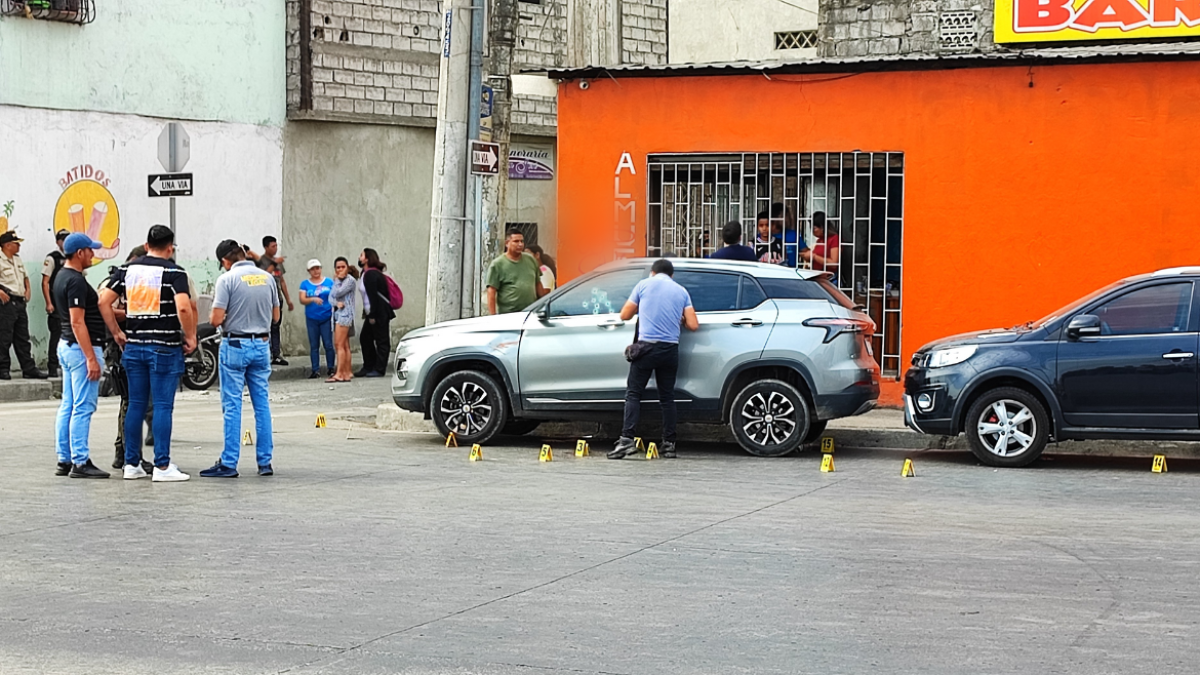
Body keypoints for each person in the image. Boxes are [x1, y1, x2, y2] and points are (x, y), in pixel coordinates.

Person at [98, 225, 197, 482]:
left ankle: (131, 464)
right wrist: (190, 336)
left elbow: (103, 301)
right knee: (163, 405)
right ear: (170, 247)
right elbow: (184, 308)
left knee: (136, 405)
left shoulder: (126, 270)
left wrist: (117, 333)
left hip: (134, 347)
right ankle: (162, 466)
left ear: (145, 245)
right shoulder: (174, 272)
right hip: (164, 347)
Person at [200, 240, 281, 478]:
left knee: (233, 405)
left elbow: (215, 320)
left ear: (225, 261)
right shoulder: (267, 278)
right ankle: (265, 462)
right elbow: (276, 317)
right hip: (261, 345)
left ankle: (229, 462)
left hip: (235, 345)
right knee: (262, 405)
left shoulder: (227, 280)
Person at [608, 258, 699, 460]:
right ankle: (669, 444)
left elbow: (624, 315)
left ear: (653, 272)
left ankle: (626, 441)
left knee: (633, 394)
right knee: (667, 398)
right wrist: (679, 319)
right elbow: (693, 325)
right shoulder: (681, 291)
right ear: (671, 275)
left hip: (647, 348)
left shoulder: (643, 285)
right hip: (670, 350)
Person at [52, 233, 110, 478]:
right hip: (79, 348)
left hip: (66, 346)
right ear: (79, 253)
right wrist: (91, 358)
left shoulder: (60, 276)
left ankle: (64, 458)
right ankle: (80, 460)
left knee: (68, 404)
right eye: (90, 250)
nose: (92, 255)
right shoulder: (75, 280)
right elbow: (78, 322)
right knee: (83, 407)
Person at [104, 246, 154, 472]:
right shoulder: (113, 282)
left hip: (132, 344)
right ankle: (129, 455)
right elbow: (104, 308)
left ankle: (122, 450)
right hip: (119, 346)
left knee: (130, 402)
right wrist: (134, 312)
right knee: (130, 402)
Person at [0, 230, 49, 380]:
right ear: (7, 245)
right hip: (6, 303)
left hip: (20, 302)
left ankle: (28, 369)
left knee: (22, 338)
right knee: (4, 337)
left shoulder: (17, 259)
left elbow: (25, 277)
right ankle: (2, 369)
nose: (19, 247)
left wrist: (28, 290)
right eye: (16, 244)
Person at [486, 229, 547, 316]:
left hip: (531, 313)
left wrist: (544, 303)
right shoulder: (498, 264)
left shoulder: (531, 260)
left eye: (522, 241)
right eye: (516, 241)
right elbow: (491, 291)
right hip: (509, 315)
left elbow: (538, 283)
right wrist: (493, 316)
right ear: (507, 243)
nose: (520, 244)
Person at [356, 248, 394, 378]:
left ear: (367, 258)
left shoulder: (372, 274)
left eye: (361, 255)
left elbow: (373, 296)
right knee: (365, 338)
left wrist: (372, 315)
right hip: (372, 312)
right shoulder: (365, 273)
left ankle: (379, 369)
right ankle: (368, 366)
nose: (359, 257)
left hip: (378, 312)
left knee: (382, 341)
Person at [258, 235, 293, 365]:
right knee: (264, 328)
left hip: (277, 300)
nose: (275, 248)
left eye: (276, 245)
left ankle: (276, 354)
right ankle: (264, 355)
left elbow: (282, 281)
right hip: (265, 301)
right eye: (273, 246)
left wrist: (288, 300)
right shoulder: (260, 263)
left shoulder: (278, 263)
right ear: (266, 247)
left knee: (275, 326)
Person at [41, 229, 70, 377]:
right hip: (57, 305)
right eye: (63, 239)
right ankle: (52, 367)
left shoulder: (73, 257)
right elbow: (45, 282)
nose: (66, 242)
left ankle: (65, 365)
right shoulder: (52, 258)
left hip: (70, 304)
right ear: (58, 242)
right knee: (56, 335)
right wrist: (49, 303)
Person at [298, 259, 335, 379]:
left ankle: (331, 368)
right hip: (312, 318)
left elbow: (335, 295)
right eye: (313, 269)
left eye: (318, 268)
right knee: (314, 345)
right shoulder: (305, 284)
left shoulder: (329, 282)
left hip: (326, 316)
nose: (316, 271)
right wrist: (313, 299)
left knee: (328, 344)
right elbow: (302, 299)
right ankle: (315, 369)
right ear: (309, 271)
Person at [329, 257, 359, 383]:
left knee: (339, 344)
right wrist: (336, 303)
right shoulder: (339, 281)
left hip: (345, 315)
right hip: (337, 314)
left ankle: (340, 373)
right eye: (338, 267)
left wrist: (336, 281)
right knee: (344, 345)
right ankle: (346, 372)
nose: (340, 270)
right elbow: (331, 298)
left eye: (343, 267)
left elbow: (338, 292)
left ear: (347, 267)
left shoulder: (349, 281)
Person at [803, 211, 841, 280]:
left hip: (829, 279)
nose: (813, 231)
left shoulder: (834, 239)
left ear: (822, 227)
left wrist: (814, 256)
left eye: (814, 228)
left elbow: (833, 264)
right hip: (818, 277)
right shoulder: (820, 240)